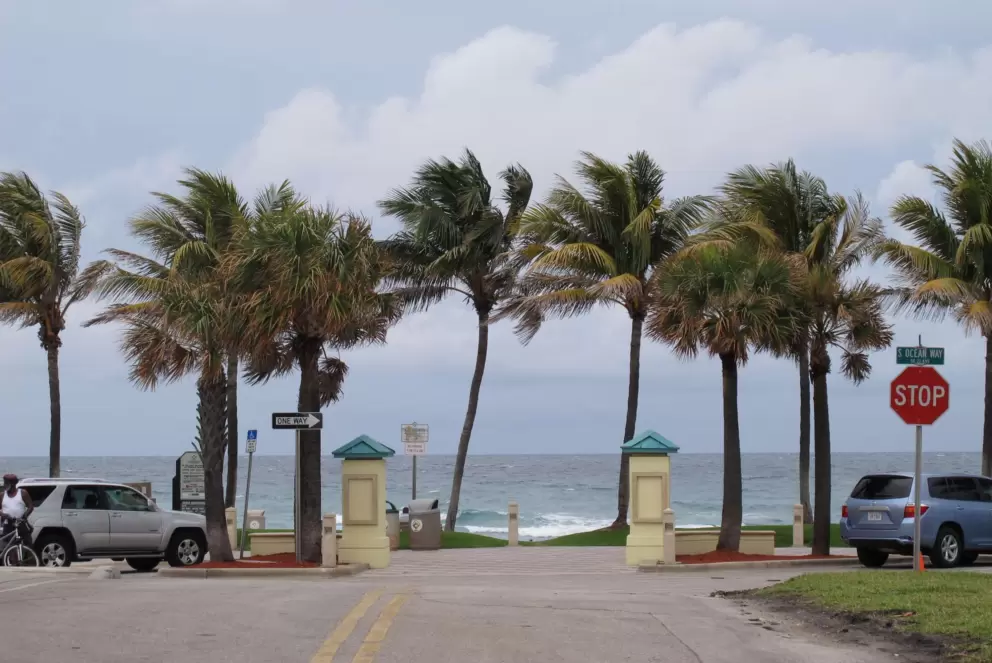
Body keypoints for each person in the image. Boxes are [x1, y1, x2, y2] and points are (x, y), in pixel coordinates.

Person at [1, 474, 34, 545]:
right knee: (9, 546)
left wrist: (25, 515)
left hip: (20, 523)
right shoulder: (2, 495)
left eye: (6, 483)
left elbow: (30, 506)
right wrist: (2, 514)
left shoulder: (23, 493)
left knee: (27, 544)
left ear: (13, 484)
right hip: (8, 525)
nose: (4, 485)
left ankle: (25, 555)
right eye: (4, 482)